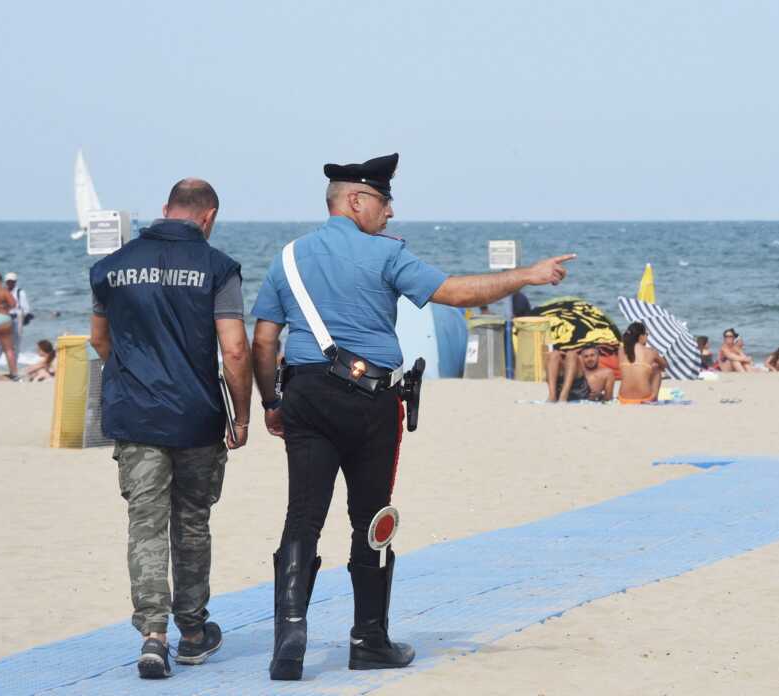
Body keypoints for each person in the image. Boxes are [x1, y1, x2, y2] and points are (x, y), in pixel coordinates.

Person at [250, 153, 574, 681]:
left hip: (304, 395)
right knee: (371, 520)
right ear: (355, 201)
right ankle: (368, 639)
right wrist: (528, 276)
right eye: (383, 201)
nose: (391, 212)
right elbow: (454, 294)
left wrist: (271, 404)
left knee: (302, 515)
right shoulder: (384, 254)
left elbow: (264, 341)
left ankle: (289, 637)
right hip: (369, 399)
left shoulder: (286, 258)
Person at [89, 178, 253, 680]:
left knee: (145, 524)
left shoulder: (110, 268)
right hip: (196, 415)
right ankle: (194, 631)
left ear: (165, 210)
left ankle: (152, 635)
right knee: (190, 523)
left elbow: (100, 340)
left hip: (135, 416)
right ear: (209, 217)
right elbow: (235, 351)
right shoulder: (217, 268)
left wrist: (137, 377)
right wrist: (243, 415)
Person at [617, 322, 668, 403]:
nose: (647, 337)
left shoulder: (620, 350)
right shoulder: (651, 352)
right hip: (644, 399)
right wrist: (661, 358)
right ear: (641, 336)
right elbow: (664, 366)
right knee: (656, 368)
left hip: (623, 398)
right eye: (646, 334)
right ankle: (655, 398)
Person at [5, 272, 31, 360]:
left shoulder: (20, 292)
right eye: (8, 281)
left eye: (12, 281)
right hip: (5, 320)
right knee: (2, 344)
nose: (10, 283)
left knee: (16, 345)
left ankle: (13, 368)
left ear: (15, 282)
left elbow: (26, 309)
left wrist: (21, 320)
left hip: (17, 320)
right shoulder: (3, 292)